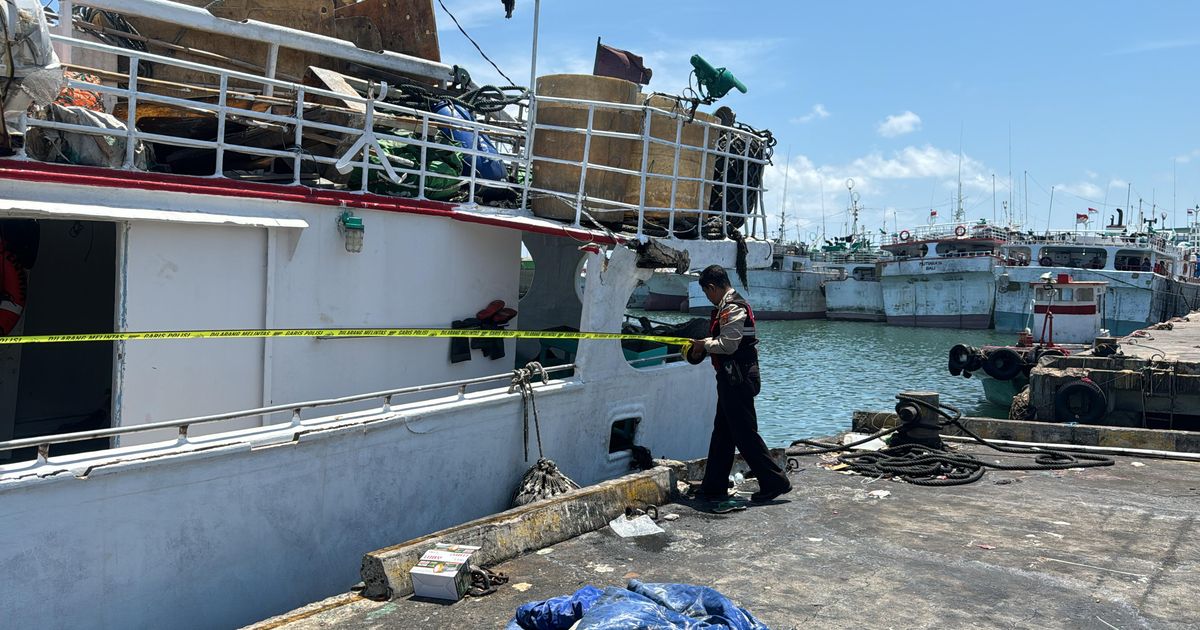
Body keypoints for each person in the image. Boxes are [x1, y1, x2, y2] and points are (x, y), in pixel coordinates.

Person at [686, 265, 792, 503]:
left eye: (707, 293)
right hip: (731, 377)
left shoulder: (733, 308)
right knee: (723, 434)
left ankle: (775, 481)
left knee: (745, 435)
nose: (707, 298)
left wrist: (704, 344)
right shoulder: (728, 306)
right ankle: (714, 486)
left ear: (712, 288)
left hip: (738, 379)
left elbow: (729, 345)